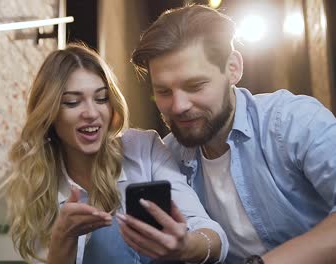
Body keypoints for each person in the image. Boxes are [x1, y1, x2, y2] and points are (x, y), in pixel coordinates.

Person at [130, 4, 336, 264]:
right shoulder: (165, 156)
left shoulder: (292, 120)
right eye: (164, 92)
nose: (179, 106)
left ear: (233, 68)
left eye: (195, 85)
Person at [6, 43, 228, 264]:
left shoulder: (144, 148)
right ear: (50, 114)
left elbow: (212, 235)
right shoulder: (37, 186)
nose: (92, 113)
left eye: (101, 98)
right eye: (72, 102)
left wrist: (187, 246)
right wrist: (63, 237)